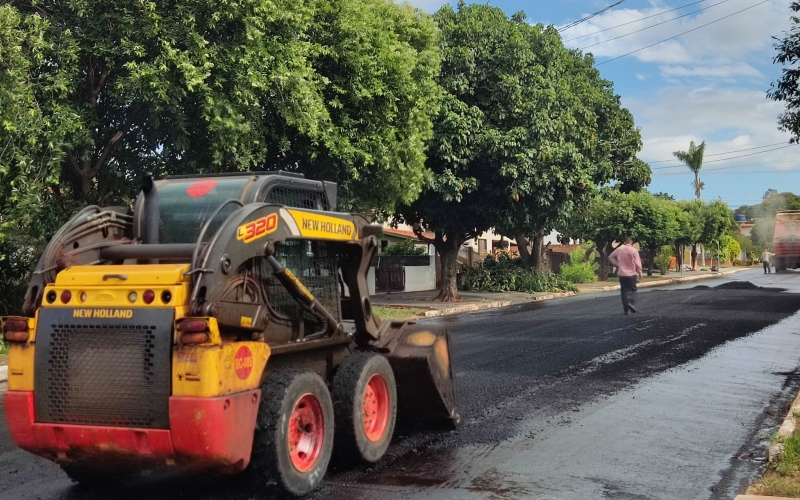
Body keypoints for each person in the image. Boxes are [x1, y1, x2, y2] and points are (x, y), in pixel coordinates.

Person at [608, 237, 643, 315]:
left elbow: (610, 257)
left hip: (622, 273)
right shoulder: (634, 250)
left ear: (624, 242)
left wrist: (617, 264)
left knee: (624, 291)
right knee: (633, 290)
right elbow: (637, 262)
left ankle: (626, 310)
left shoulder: (619, 249)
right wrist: (640, 271)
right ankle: (630, 302)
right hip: (632, 274)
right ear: (631, 243)